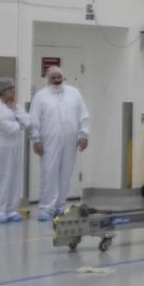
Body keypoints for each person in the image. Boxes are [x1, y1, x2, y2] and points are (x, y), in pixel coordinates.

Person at [30, 66, 89, 221]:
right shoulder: (40, 96)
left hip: (70, 140)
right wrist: (35, 139)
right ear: (47, 79)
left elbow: (83, 115)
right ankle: (46, 207)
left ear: (64, 77)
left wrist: (84, 134)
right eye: (53, 78)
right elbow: (33, 119)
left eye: (59, 77)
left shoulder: (74, 93)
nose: (57, 80)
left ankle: (59, 206)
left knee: (65, 173)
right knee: (49, 172)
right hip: (48, 140)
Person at [0, 78, 32, 223]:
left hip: (14, 148)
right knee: (0, 180)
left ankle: (10, 210)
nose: (13, 93)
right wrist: (19, 123)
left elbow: (28, 121)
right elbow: (9, 128)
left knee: (14, 179)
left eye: (14, 90)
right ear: (2, 91)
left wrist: (18, 119)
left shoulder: (12, 106)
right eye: (11, 90)